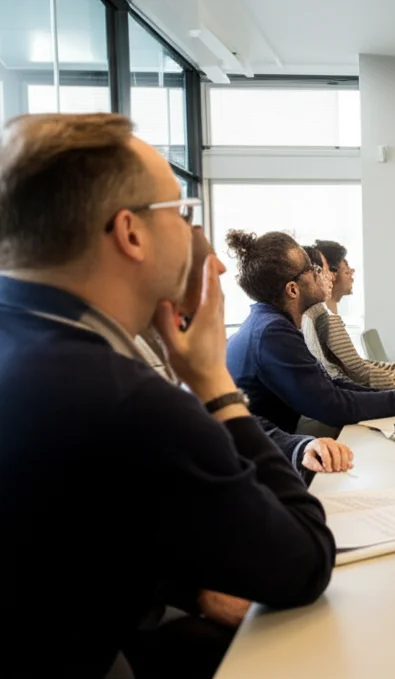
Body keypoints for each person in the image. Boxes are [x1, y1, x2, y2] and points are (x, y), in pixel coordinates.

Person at [0, 113, 335, 678]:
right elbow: (304, 562)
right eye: (181, 213)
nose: (212, 253)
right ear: (130, 232)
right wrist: (211, 381)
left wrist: (192, 586)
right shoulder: (124, 398)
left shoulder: (33, 353)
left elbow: (67, 534)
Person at [141, 230, 354, 484]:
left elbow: (240, 421)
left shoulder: (181, 344)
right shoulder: (268, 329)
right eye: (203, 262)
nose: (220, 268)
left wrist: (298, 448)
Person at [224, 230, 395, 436]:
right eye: (312, 269)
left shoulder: (268, 325)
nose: (321, 273)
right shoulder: (272, 333)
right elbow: (333, 405)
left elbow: (329, 385)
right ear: (293, 289)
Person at [301, 242, 395, 388]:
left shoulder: (315, 317)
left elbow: (355, 368)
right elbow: (358, 371)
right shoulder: (321, 318)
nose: (330, 276)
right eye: (326, 269)